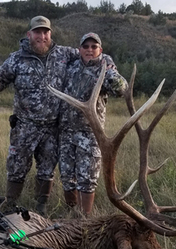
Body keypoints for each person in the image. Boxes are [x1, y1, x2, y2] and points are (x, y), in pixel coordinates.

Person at [0, 16, 79, 216]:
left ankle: (41, 209)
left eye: (45, 32)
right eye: (37, 32)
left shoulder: (64, 54)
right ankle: (10, 205)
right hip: (25, 126)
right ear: (29, 35)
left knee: (47, 169)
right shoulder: (17, 59)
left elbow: (91, 55)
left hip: (52, 127)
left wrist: (108, 62)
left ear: (50, 34)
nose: (42, 36)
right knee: (17, 167)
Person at [58, 32, 128, 216]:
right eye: (86, 46)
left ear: (100, 50)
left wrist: (110, 71)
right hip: (66, 132)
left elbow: (121, 89)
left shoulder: (105, 70)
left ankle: (84, 221)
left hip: (90, 134)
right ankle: (72, 217)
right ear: (79, 49)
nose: (89, 50)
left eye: (94, 47)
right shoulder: (71, 67)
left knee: (87, 180)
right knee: (67, 178)